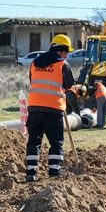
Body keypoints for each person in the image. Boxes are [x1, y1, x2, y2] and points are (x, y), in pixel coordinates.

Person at [24, 34, 76, 182]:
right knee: (56, 141)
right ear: (61, 50)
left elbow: (33, 81)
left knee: (34, 140)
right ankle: (54, 170)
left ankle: (31, 172)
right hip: (54, 108)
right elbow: (69, 85)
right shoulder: (63, 65)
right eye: (66, 52)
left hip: (34, 108)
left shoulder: (35, 63)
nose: (67, 55)